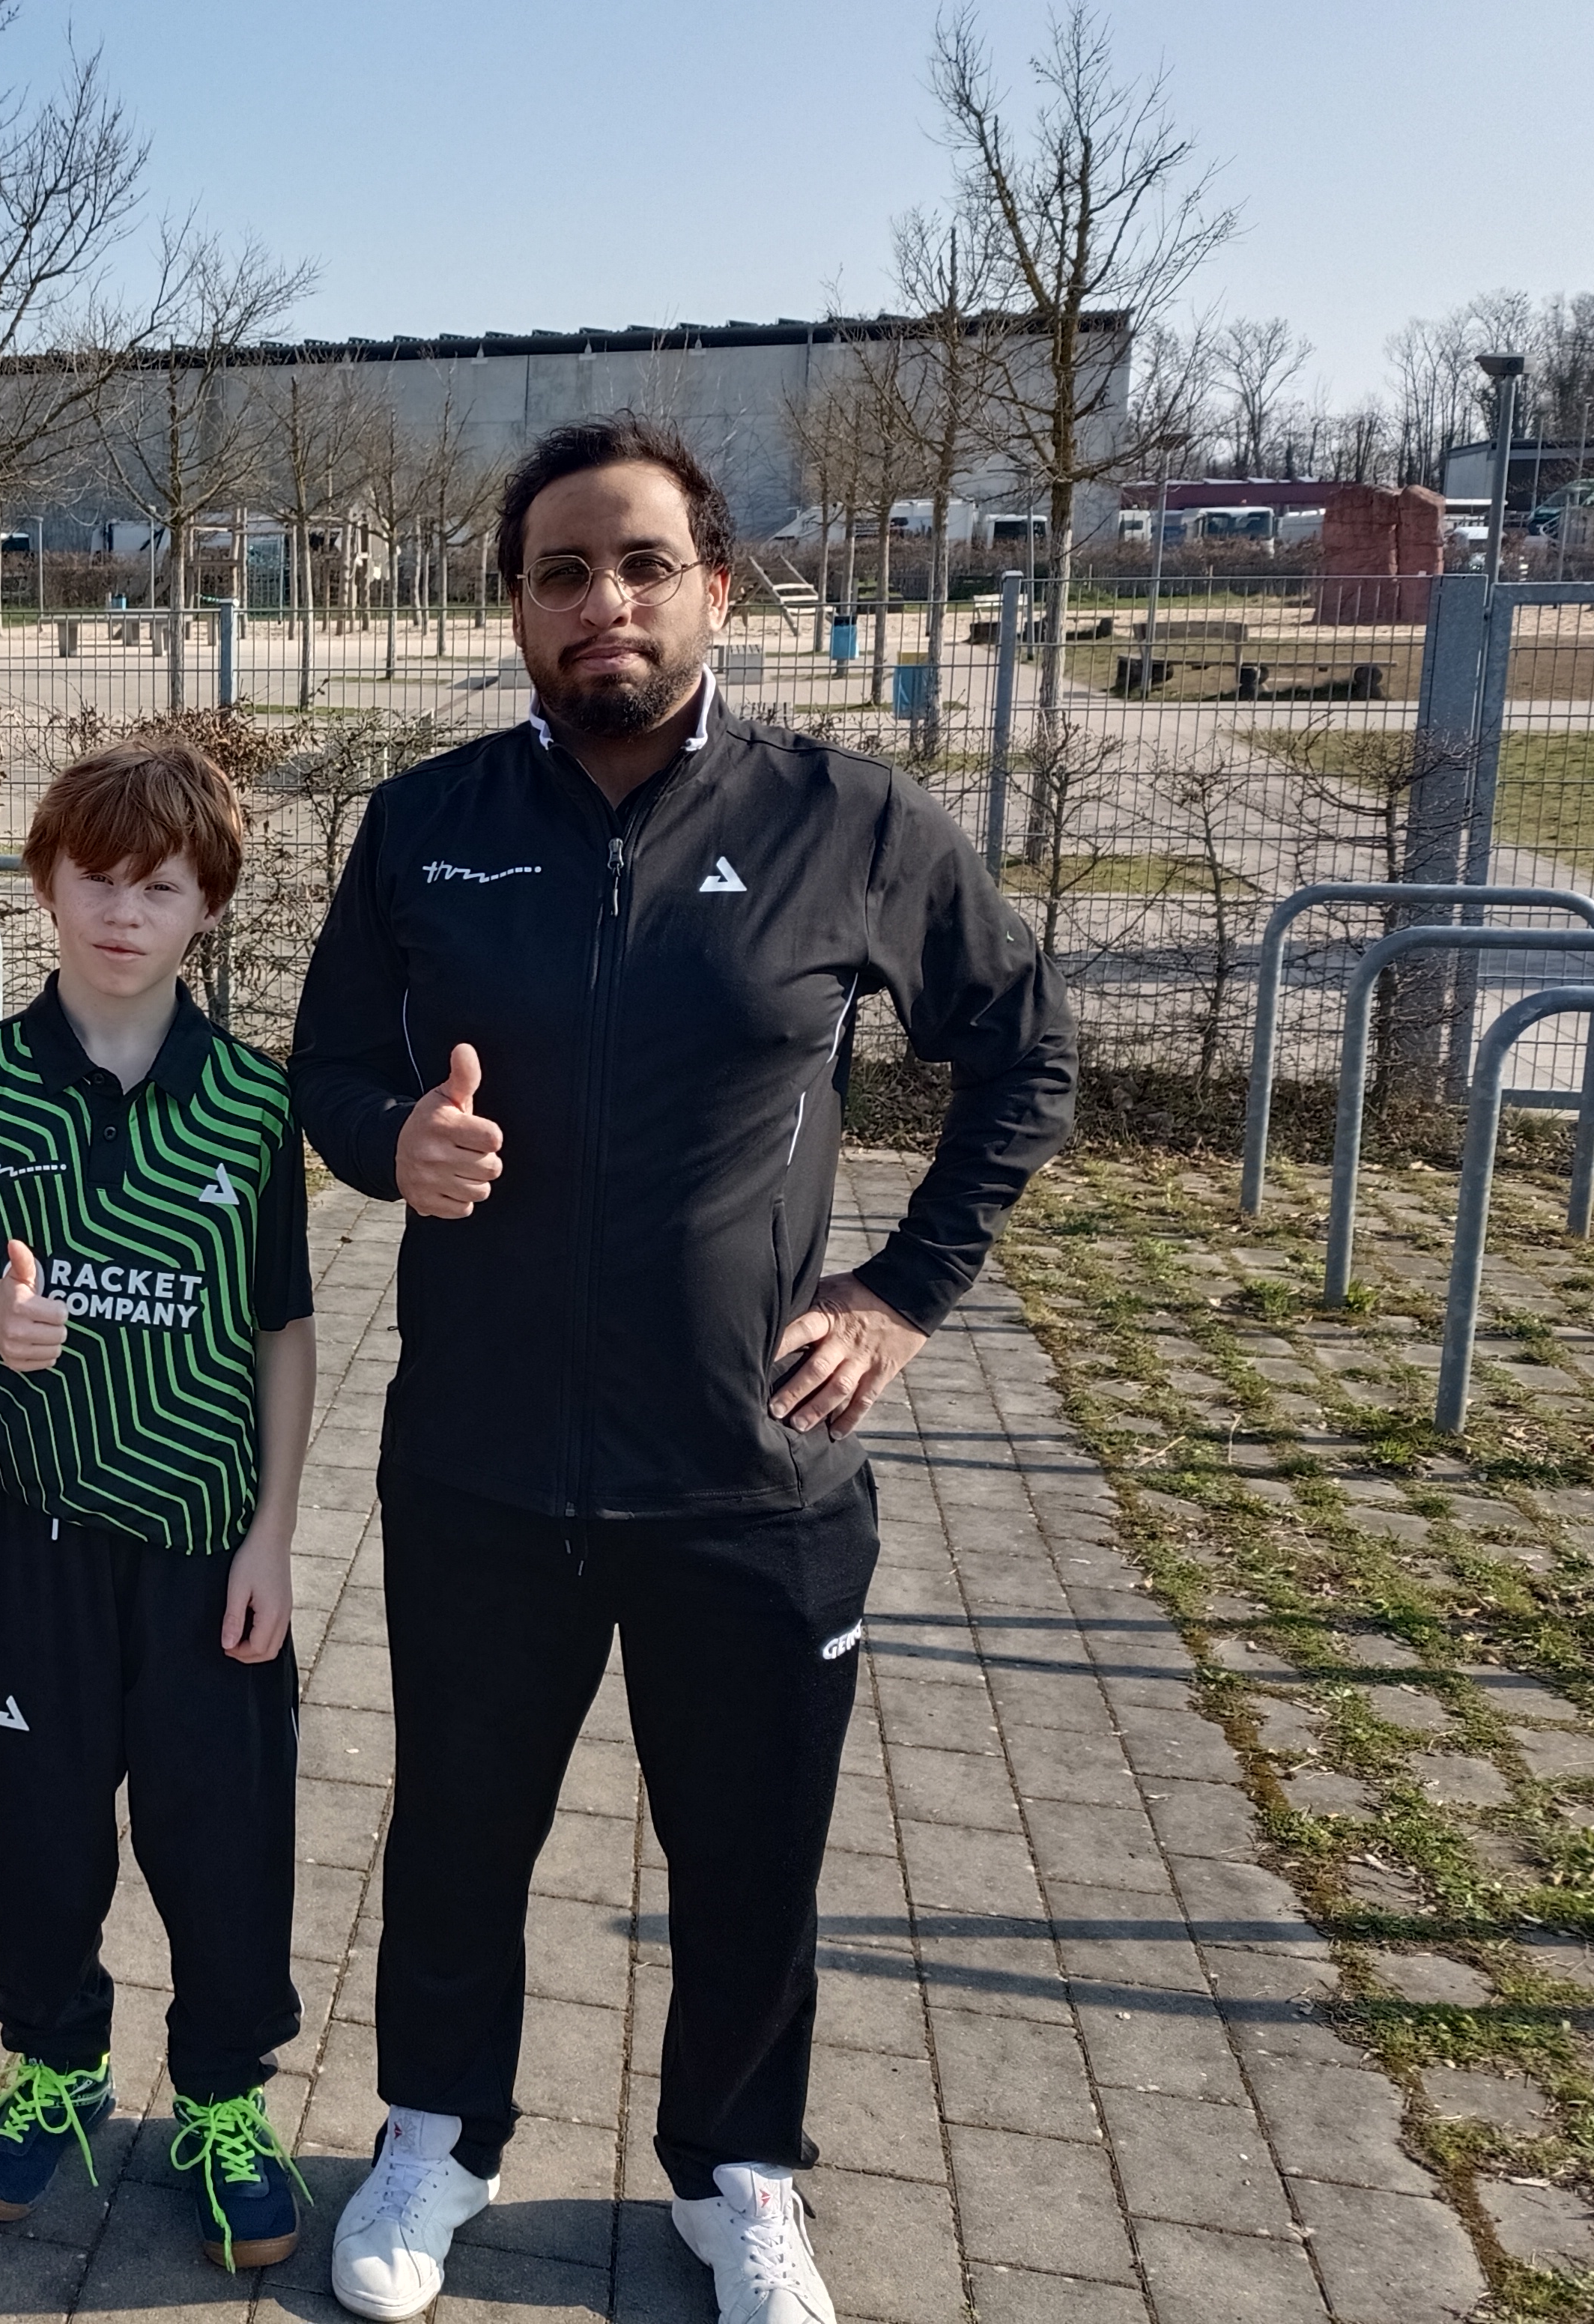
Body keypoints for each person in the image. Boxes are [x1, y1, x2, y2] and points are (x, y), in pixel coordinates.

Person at [289, 415, 1073, 2324]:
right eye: (562, 571)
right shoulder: (428, 827)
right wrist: (390, 1141)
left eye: (641, 563)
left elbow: (1024, 1052)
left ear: (718, 588)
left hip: (755, 1474)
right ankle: (434, 2139)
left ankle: (738, 2177)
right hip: (480, 1464)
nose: (603, 602)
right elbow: (326, 1067)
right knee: (463, 1832)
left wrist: (902, 1294)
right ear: (518, 607)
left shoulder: (852, 823)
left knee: (748, 1863)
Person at [0, 738, 316, 2272]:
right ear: (45, 884)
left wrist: (273, 1532)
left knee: (220, 1825)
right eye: (96, 880)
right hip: (34, 1529)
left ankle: (221, 2098)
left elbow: (284, 1330)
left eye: (161, 888)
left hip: (207, 1540)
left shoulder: (251, 1108)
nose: (123, 914)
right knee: (43, 1818)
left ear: (208, 906)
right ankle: (53, 2063)